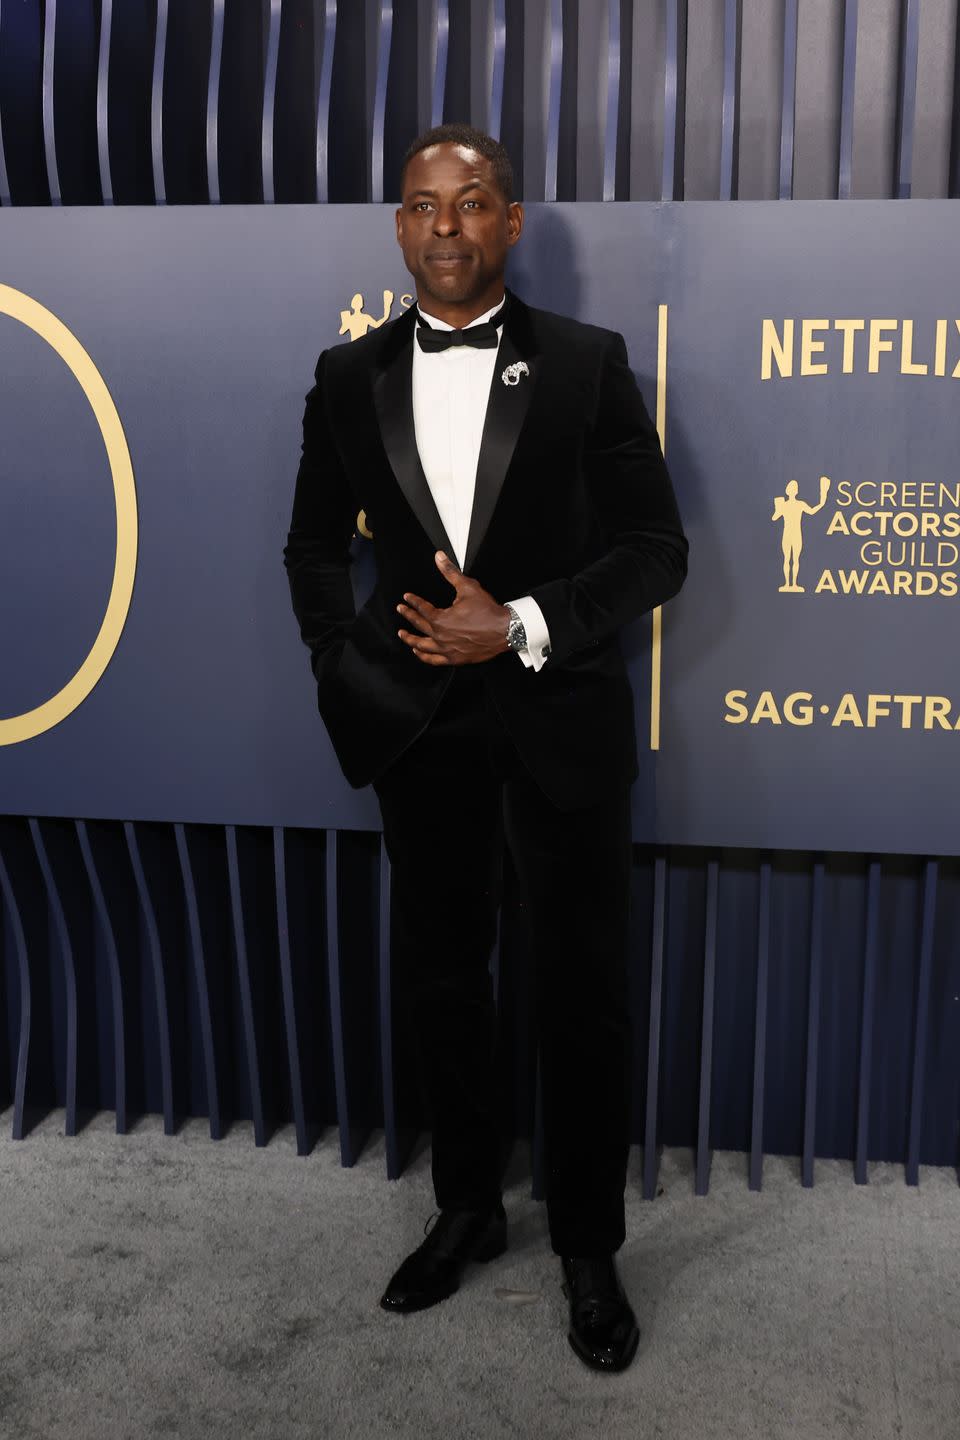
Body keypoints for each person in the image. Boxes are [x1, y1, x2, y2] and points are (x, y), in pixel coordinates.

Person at [283, 123, 687, 1373]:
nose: (444, 226)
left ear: (510, 222)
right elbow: (310, 550)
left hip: (559, 724)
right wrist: (346, 667)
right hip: (424, 739)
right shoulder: (345, 376)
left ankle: (586, 1245)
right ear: (397, 227)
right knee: (445, 982)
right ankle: (465, 1206)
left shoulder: (585, 363)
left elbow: (654, 549)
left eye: (470, 203)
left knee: (580, 995)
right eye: (421, 205)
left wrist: (513, 624)